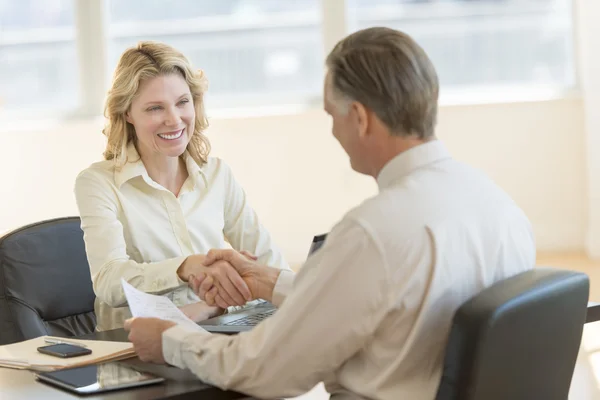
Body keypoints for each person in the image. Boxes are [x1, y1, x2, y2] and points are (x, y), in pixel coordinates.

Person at [124, 27, 536, 399]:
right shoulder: (500, 206)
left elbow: (264, 369)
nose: (334, 130)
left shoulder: (372, 233)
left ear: (359, 117)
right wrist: (267, 281)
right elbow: (376, 298)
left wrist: (170, 340)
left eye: (331, 115)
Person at [74, 41, 290, 332]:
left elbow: (272, 267)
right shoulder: (98, 183)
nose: (174, 120)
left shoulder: (217, 175)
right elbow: (110, 282)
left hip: (216, 332)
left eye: (182, 102)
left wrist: (211, 305)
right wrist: (185, 267)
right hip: (137, 347)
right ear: (127, 113)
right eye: (154, 108)